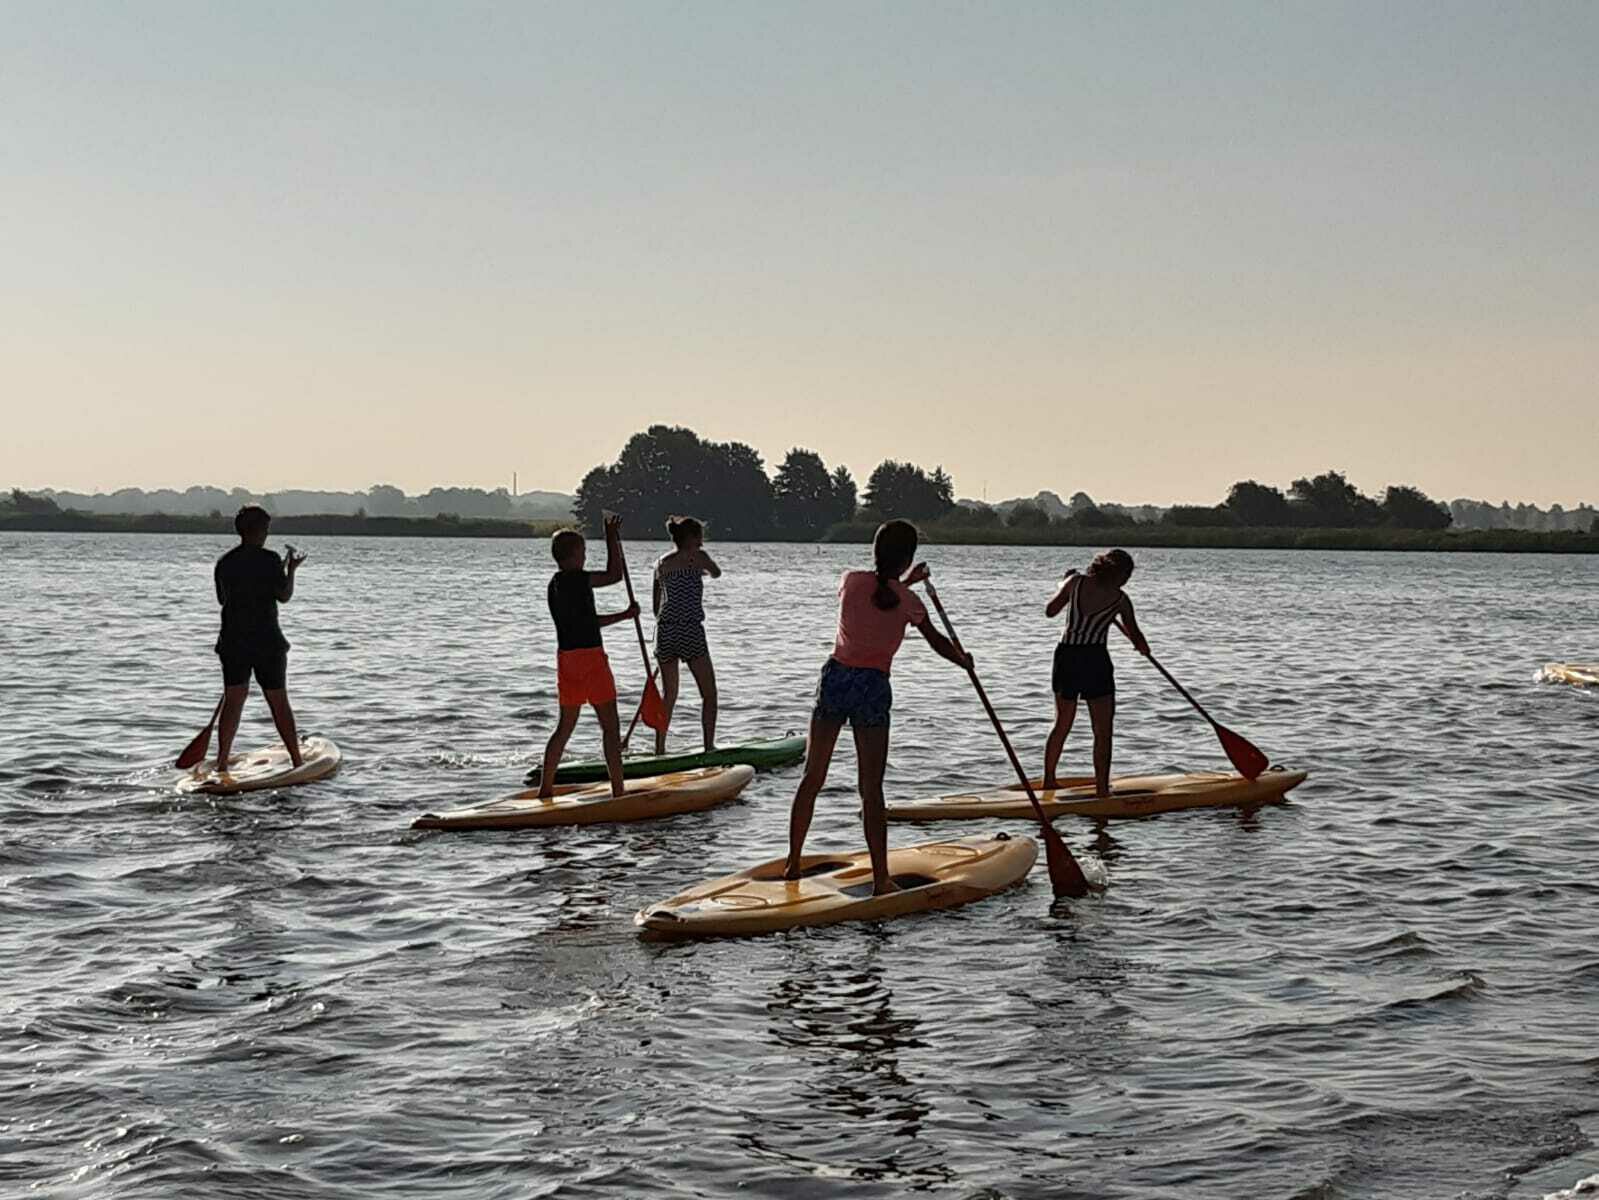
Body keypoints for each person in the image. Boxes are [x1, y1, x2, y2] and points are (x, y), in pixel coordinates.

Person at [781, 519, 972, 896]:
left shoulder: (850, 581)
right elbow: (935, 641)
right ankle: (881, 877)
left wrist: (903, 582)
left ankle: (793, 862)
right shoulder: (909, 602)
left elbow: (877, 591)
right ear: (908, 559)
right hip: (872, 686)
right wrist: (963, 660)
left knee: (812, 777)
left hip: (836, 678)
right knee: (871, 789)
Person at [537, 515, 638, 799]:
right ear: (573, 556)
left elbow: (579, 622)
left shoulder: (553, 584)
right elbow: (615, 575)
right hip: (590, 658)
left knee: (565, 726)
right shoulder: (578, 580)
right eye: (583, 552)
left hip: (566, 660)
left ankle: (546, 789)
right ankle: (618, 791)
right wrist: (610, 536)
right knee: (610, 726)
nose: (585, 556)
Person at [1042, 548, 1150, 797]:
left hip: (1067, 657)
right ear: (1117, 574)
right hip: (1095, 661)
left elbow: (1050, 610)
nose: (1127, 581)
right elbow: (1136, 637)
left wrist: (1065, 587)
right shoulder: (1121, 600)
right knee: (1103, 730)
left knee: (1062, 723)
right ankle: (1102, 789)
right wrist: (1144, 649)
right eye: (1126, 575)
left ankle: (1049, 780)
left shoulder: (1075, 582)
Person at [213, 505, 306, 772]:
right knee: (278, 701)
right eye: (266, 529)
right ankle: (296, 760)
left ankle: (222, 762)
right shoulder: (269, 559)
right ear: (261, 531)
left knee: (233, 700)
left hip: (233, 643)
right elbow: (284, 595)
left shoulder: (224, 562)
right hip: (267, 642)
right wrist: (291, 570)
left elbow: (222, 599)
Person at [650, 515, 721, 755]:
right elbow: (717, 573)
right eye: (699, 537)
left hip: (665, 629)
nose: (702, 542)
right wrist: (701, 565)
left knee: (669, 695)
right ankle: (708, 746)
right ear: (692, 538)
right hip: (690, 629)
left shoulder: (660, 563)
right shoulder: (698, 558)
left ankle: (659, 748)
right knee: (709, 694)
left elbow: (655, 605)